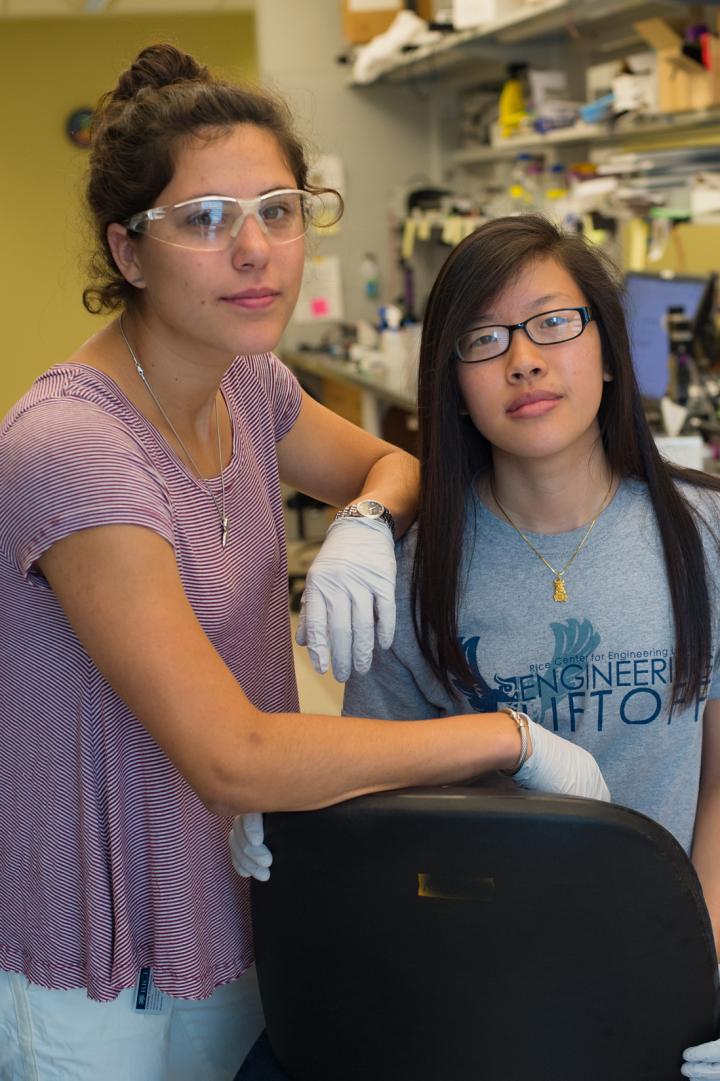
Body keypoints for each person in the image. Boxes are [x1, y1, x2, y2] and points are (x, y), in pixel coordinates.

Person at [0, 49, 609, 1081]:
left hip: (236, 895)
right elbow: (232, 755)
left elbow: (394, 464)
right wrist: (504, 740)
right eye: (205, 219)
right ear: (129, 250)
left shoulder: (250, 383)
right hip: (102, 962)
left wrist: (363, 522)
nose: (255, 250)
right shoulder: (74, 447)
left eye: (278, 210)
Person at [338, 214, 720, 1080]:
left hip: (661, 963)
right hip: (477, 980)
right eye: (484, 338)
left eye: (553, 322)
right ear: (453, 384)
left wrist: (704, 968)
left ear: (609, 351)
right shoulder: (416, 573)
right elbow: (380, 810)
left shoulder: (703, 536)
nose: (524, 359)